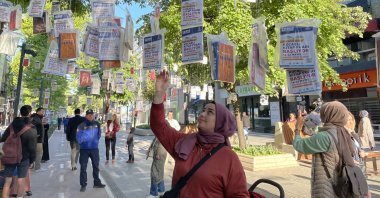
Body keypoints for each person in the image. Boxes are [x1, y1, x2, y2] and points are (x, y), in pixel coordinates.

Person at [149, 70, 249, 197]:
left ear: (221, 123)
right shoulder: (183, 143)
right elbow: (158, 126)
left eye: (210, 112)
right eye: (203, 110)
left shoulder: (229, 158)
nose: (202, 114)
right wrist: (159, 93)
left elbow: (239, 195)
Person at [293, 101, 368, 198]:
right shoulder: (345, 132)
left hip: (327, 186)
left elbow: (299, 145)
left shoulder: (325, 136)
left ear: (326, 115)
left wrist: (297, 129)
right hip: (344, 185)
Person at [1, 105, 37, 198]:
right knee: (21, 180)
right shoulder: (31, 127)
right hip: (24, 157)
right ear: (30, 114)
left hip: (10, 156)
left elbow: (3, 138)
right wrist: (32, 160)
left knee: (8, 180)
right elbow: (32, 147)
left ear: (20, 113)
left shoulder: (13, 124)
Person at [76, 109, 106, 192]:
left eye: (92, 114)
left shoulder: (97, 124)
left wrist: (95, 141)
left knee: (96, 166)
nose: (90, 116)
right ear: (86, 116)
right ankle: (83, 184)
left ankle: (96, 183)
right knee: (83, 167)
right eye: (89, 114)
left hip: (94, 149)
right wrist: (85, 141)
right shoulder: (81, 125)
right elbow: (78, 137)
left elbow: (99, 134)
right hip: (84, 149)